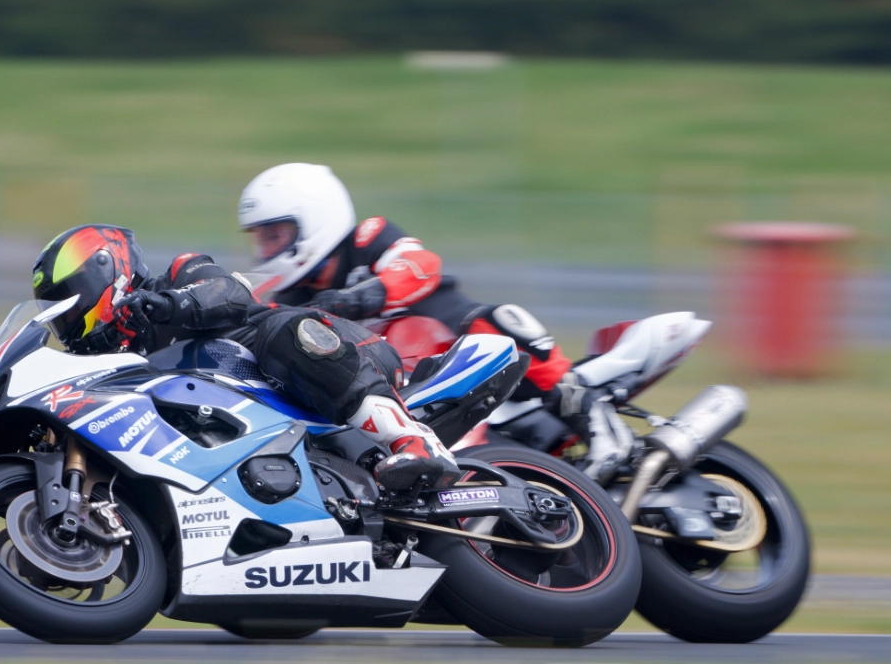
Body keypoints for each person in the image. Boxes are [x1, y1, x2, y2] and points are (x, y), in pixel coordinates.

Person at [233, 163, 623, 473]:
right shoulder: (288, 297)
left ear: (314, 218)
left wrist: (362, 297)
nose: (267, 249)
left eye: (276, 236)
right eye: (261, 239)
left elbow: (421, 264)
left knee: (499, 319)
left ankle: (595, 418)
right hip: (404, 381)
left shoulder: (368, 237)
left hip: (464, 349)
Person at [29, 223, 460, 491]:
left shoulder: (180, 275)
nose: (66, 317)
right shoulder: (120, 360)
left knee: (283, 330)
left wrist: (171, 304)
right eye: (56, 309)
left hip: (336, 358)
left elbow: (229, 294)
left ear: (107, 271)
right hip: (275, 436)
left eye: (70, 299)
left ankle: (413, 440)